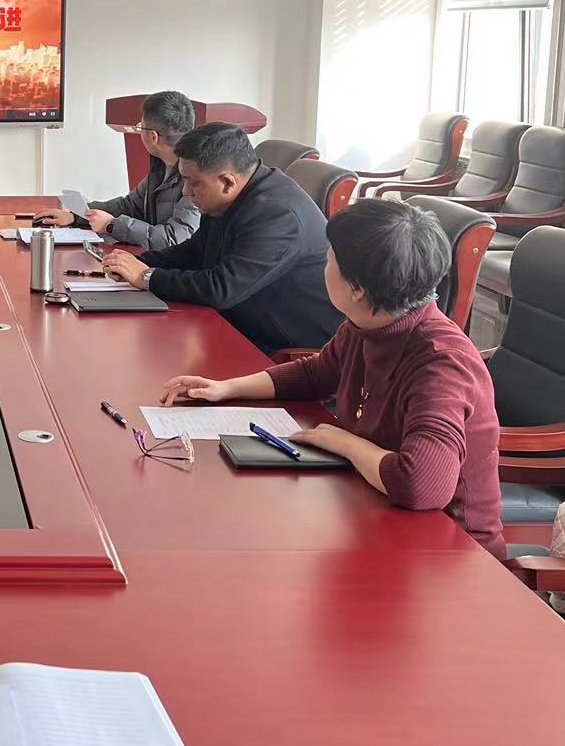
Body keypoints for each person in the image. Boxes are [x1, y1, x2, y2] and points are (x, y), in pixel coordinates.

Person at [159, 198, 504, 556]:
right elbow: (316, 373)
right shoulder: (371, 323)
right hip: (372, 510)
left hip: (448, 551)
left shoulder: (441, 364)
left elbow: (423, 485)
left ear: (357, 289)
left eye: (329, 259)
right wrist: (226, 388)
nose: (323, 265)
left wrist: (344, 443)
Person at [103, 122, 341, 352]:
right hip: (244, 321)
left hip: (285, 347)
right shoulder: (230, 197)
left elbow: (221, 288)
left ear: (227, 182)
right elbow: (195, 251)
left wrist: (146, 277)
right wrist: (136, 263)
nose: (185, 191)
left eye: (193, 183)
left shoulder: (277, 214)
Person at [35, 90, 200, 249]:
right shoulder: (160, 167)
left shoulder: (195, 179)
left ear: (153, 137)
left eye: (140, 127)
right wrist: (76, 215)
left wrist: (111, 225)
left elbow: (173, 239)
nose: (138, 132)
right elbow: (129, 205)